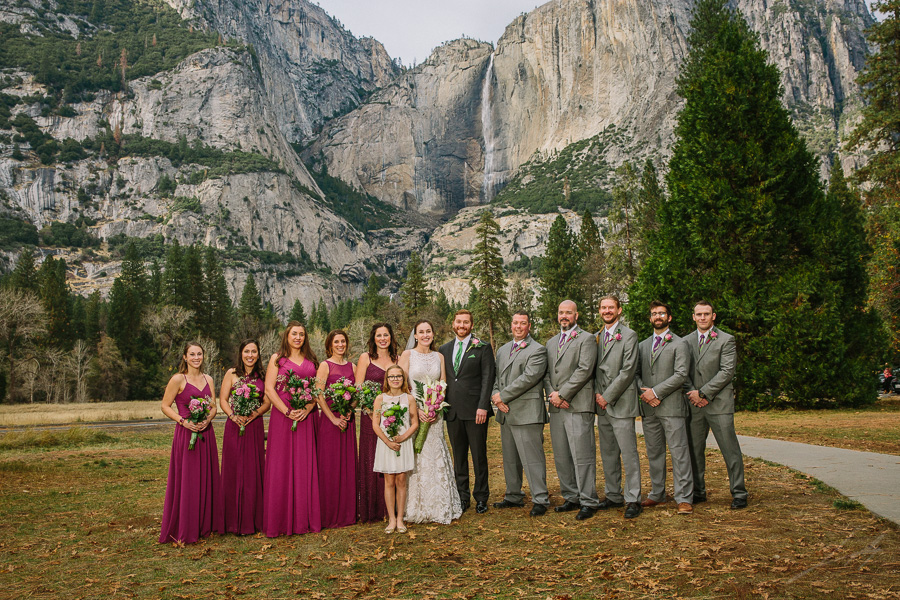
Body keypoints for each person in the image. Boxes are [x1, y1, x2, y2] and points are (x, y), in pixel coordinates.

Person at [684, 301, 748, 510]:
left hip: (719, 403)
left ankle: (739, 492)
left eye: (706, 314)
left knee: (730, 449)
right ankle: (698, 491)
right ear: (693, 317)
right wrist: (694, 394)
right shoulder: (685, 342)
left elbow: (727, 372)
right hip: (694, 405)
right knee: (694, 450)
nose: (702, 317)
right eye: (699, 314)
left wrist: (704, 392)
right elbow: (681, 371)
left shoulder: (726, 340)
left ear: (714, 316)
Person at [159, 341, 224, 543]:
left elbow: (214, 406)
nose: (196, 358)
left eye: (199, 354)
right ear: (185, 357)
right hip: (186, 434)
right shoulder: (178, 379)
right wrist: (184, 422)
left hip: (206, 433)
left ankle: (205, 524)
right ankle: (187, 525)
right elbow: (165, 406)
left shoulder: (209, 379)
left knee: (206, 477)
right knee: (188, 479)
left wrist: (208, 419)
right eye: (192, 354)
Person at [401, 319, 463, 524]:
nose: (425, 335)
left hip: (435, 414)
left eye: (429, 331)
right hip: (413, 411)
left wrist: (436, 407)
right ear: (415, 335)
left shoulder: (439, 356)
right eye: (421, 332)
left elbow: (442, 384)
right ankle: (415, 505)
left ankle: (439, 504)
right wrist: (416, 409)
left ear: (433, 334)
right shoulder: (408, 355)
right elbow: (401, 384)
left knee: (436, 452)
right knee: (417, 456)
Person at [263, 322, 321, 537]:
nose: (298, 337)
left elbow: (317, 390)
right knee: (281, 464)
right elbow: (269, 388)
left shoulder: (312, 361)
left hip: (307, 417)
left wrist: (307, 408)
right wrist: (287, 412)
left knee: (305, 464)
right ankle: (280, 517)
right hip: (283, 418)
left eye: (302, 334)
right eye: (294, 334)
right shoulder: (277, 359)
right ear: (287, 336)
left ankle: (304, 517)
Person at [636, 301, 694, 515]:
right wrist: (645, 394)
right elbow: (635, 373)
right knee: (654, 452)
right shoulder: (642, 345)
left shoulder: (680, 343)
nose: (657, 316)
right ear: (650, 318)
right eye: (653, 313)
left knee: (679, 453)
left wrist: (656, 392)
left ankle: (684, 497)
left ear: (669, 317)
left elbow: (681, 375)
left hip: (671, 407)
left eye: (661, 313)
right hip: (649, 408)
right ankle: (658, 493)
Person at [544, 300, 600, 520]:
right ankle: (571, 496)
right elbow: (546, 374)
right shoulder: (550, 342)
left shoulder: (586, 339)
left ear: (576, 315)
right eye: (561, 312)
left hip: (577, 404)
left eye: (568, 312)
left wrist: (563, 394)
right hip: (557, 407)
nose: (564, 316)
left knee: (582, 455)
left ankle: (588, 500)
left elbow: (585, 369)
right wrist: (553, 395)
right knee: (562, 455)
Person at [491, 311, 550, 516]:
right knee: (510, 457)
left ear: (529, 326)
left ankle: (540, 498)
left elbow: (529, 378)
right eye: (515, 322)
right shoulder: (503, 349)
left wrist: (503, 397)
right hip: (506, 411)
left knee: (532, 458)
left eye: (522, 323)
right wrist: (496, 395)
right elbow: (496, 378)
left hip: (527, 411)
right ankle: (513, 495)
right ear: (511, 325)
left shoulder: (538, 350)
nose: (518, 326)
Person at [439, 309, 496, 513]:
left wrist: (483, 406)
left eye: (466, 322)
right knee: (459, 457)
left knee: (479, 456)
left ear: (471, 325)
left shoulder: (482, 347)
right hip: (452, 412)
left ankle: (481, 497)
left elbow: (488, 378)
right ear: (453, 324)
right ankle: (462, 497)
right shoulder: (443, 350)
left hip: (475, 412)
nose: (462, 326)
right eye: (458, 322)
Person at [593, 295, 643, 519]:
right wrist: (597, 393)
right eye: (603, 307)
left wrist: (607, 396)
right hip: (601, 405)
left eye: (610, 307)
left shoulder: (629, 336)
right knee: (608, 452)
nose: (607, 311)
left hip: (620, 401)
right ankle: (613, 495)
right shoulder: (596, 337)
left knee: (628, 452)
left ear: (619, 310)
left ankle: (633, 498)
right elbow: (592, 368)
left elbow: (628, 370)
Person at [218, 339, 270, 535]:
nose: (250, 355)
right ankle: (231, 521)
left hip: (253, 425)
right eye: (247, 351)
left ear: (258, 354)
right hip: (234, 425)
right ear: (241, 353)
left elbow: (267, 403)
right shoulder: (231, 374)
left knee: (252, 470)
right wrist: (233, 416)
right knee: (233, 469)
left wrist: (254, 414)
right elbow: (223, 399)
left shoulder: (263, 376)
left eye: (254, 351)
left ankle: (253, 519)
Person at [354, 323, 398, 523]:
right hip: (370, 416)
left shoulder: (397, 359)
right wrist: (371, 412)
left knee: (392, 459)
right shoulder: (366, 358)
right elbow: (359, 388)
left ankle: (392, 507)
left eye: (386, 335)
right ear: (373, 338)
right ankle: (373, 508)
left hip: (393, 417)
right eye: (379, 335)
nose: (382, 338)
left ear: (391, 337)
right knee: (371, 457)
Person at [315, 330, 358, 529]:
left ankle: (347, 513)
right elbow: (319, 395)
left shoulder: (353, 366)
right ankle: (329, 513)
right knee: (329, 464)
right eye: (336, 342)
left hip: (347, 420)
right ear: (330, 345)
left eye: (343, 341)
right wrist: (332, 418)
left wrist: (349, 410)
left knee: (347, 463)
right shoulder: (325, 366)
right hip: (330, 421)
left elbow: (356, 393)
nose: (340, 345)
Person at [372, 365, 419, 533]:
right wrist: (388, 441)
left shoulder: (409, 399)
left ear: (403, 379)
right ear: (387, 380)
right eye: (391, 376)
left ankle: (400, 519)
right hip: (386, 444)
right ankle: (391, 518)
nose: (395, 379)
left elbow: (415, 423)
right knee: (389, 481)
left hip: (403, 442)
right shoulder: (380, 398)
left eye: (398, 376)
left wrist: (403, 437)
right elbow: (375, 425)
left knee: (401, 481)